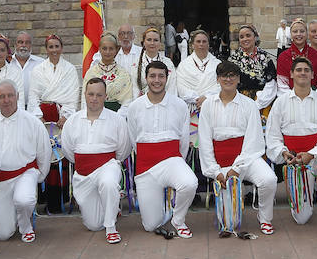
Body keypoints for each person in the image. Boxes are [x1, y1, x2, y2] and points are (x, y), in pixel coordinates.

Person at [266, 57, 317, 240]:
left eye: (306, 70)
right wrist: (282, 152)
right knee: (302, 218)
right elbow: (273, 135)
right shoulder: (281, 102)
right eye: (298, 70)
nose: (302, 73)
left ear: (312, 75)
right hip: (295, 161)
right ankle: (304, 204)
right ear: (291, 75)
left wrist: (312, 153)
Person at [199, 61, 277, 236]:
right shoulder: (208, 105)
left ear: (238, 79)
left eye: (232, 75)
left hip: (246, 158)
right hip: (220, 162)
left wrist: (237, 168)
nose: (228, 79)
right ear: (218, 79)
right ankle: (229, 216)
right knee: (230, 224)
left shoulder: (249, 104)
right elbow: (204, 141)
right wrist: (215, 171)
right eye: (224, 76)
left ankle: (265, 218)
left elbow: (253, 140)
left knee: (269, 179)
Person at [122, 60, 197, 239]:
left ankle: (178, 220)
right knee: (151, 225)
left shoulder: (179, 105)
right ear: (146, 78)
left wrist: (178, 162)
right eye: (152, 76)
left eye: (161, 76)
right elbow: (133, 139)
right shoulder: (134, 107)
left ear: (167, 78)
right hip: (146, 167)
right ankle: (161, 207)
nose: (157, 80)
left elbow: (184, 140)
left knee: (189, 182)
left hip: (171, 160)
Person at [60, 78, 132, 244]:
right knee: (93, 225)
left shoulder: (117, 120)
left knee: (108, 182)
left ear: (105, 96)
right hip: (83, 175)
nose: (94, 98)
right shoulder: (72, 121)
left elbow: (123, 149)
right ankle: (112, 204)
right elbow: (68, 150)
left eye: (99, 95)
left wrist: (112, 165)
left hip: (107, 166)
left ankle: (111, 227)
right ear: (84, 94)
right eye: (91, 94)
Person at [0, 80, 50, 243]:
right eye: (2, 96)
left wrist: (38, 176)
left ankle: (26, 226)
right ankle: (10, 216)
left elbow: (44, 152)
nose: (6, 100)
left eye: (10, 96)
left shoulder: (32, 122)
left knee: (24, 199)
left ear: (17, 96)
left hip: (25, 173)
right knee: (3, 235)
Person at [27, 34, 81, 125]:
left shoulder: (70, 69)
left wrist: (66, 117)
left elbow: (73, 96)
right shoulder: (38, 70)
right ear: (46, 49)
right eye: (51, 47)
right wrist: (38, 117)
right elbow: (33, 96)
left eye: (57, 46)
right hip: (42, 116)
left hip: (63, 116)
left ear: (61, 48)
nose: (54, 50)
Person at [230, 24, 278, 109]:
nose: (245, 39)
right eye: (241, 37)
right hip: (240, 104)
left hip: (263, 103)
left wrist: (258, 104)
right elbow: (229, 83)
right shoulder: (233, 60)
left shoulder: (265, 58)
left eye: (248, 35)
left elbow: (271, 84)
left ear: (255, 37)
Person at [83, 33, 135, 110]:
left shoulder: (123, 74)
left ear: (116, 50)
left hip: (118, 116)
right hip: (95, 114)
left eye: (111, 49)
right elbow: (85, 99)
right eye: (104, 48)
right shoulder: (91, 73)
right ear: (99, 49)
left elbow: (127, 101)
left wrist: (118, 117)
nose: (107, 52)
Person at [275, 19, 317, 98]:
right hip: (290, 99)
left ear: (307, 33)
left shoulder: (316, 55)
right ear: (290, 34)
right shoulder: (283, 56)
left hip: (315, 98)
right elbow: (282, 84)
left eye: (302, 31)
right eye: (295, 32)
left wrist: (315, 96)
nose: (299, 34)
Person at [175, 29, 222, 107]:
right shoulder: (184, 65)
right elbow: (180, 87)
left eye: (204, 41)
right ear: (192, 45)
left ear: (208, 44)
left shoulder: (217, 64)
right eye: (198, 41)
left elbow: (221, 85)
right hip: (190, 107)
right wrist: (197, 99)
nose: (201, 44)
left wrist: (207, 97)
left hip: (213, 105)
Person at [133, 27, 177, 98]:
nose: (152, 43)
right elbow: (134, 88)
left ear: (160, 43)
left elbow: (172, 87)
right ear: (144, 42)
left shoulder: (168, 63)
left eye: (156, 40)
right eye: (149, 40)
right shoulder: (135, 63)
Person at [12, 32, 39, 97]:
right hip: (11, 106)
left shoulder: (40, 63)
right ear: (15, 45)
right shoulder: (7, 63)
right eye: (20, 42)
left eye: (27, 42)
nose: (24, 45)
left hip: (34, 106)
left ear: (31, 45)